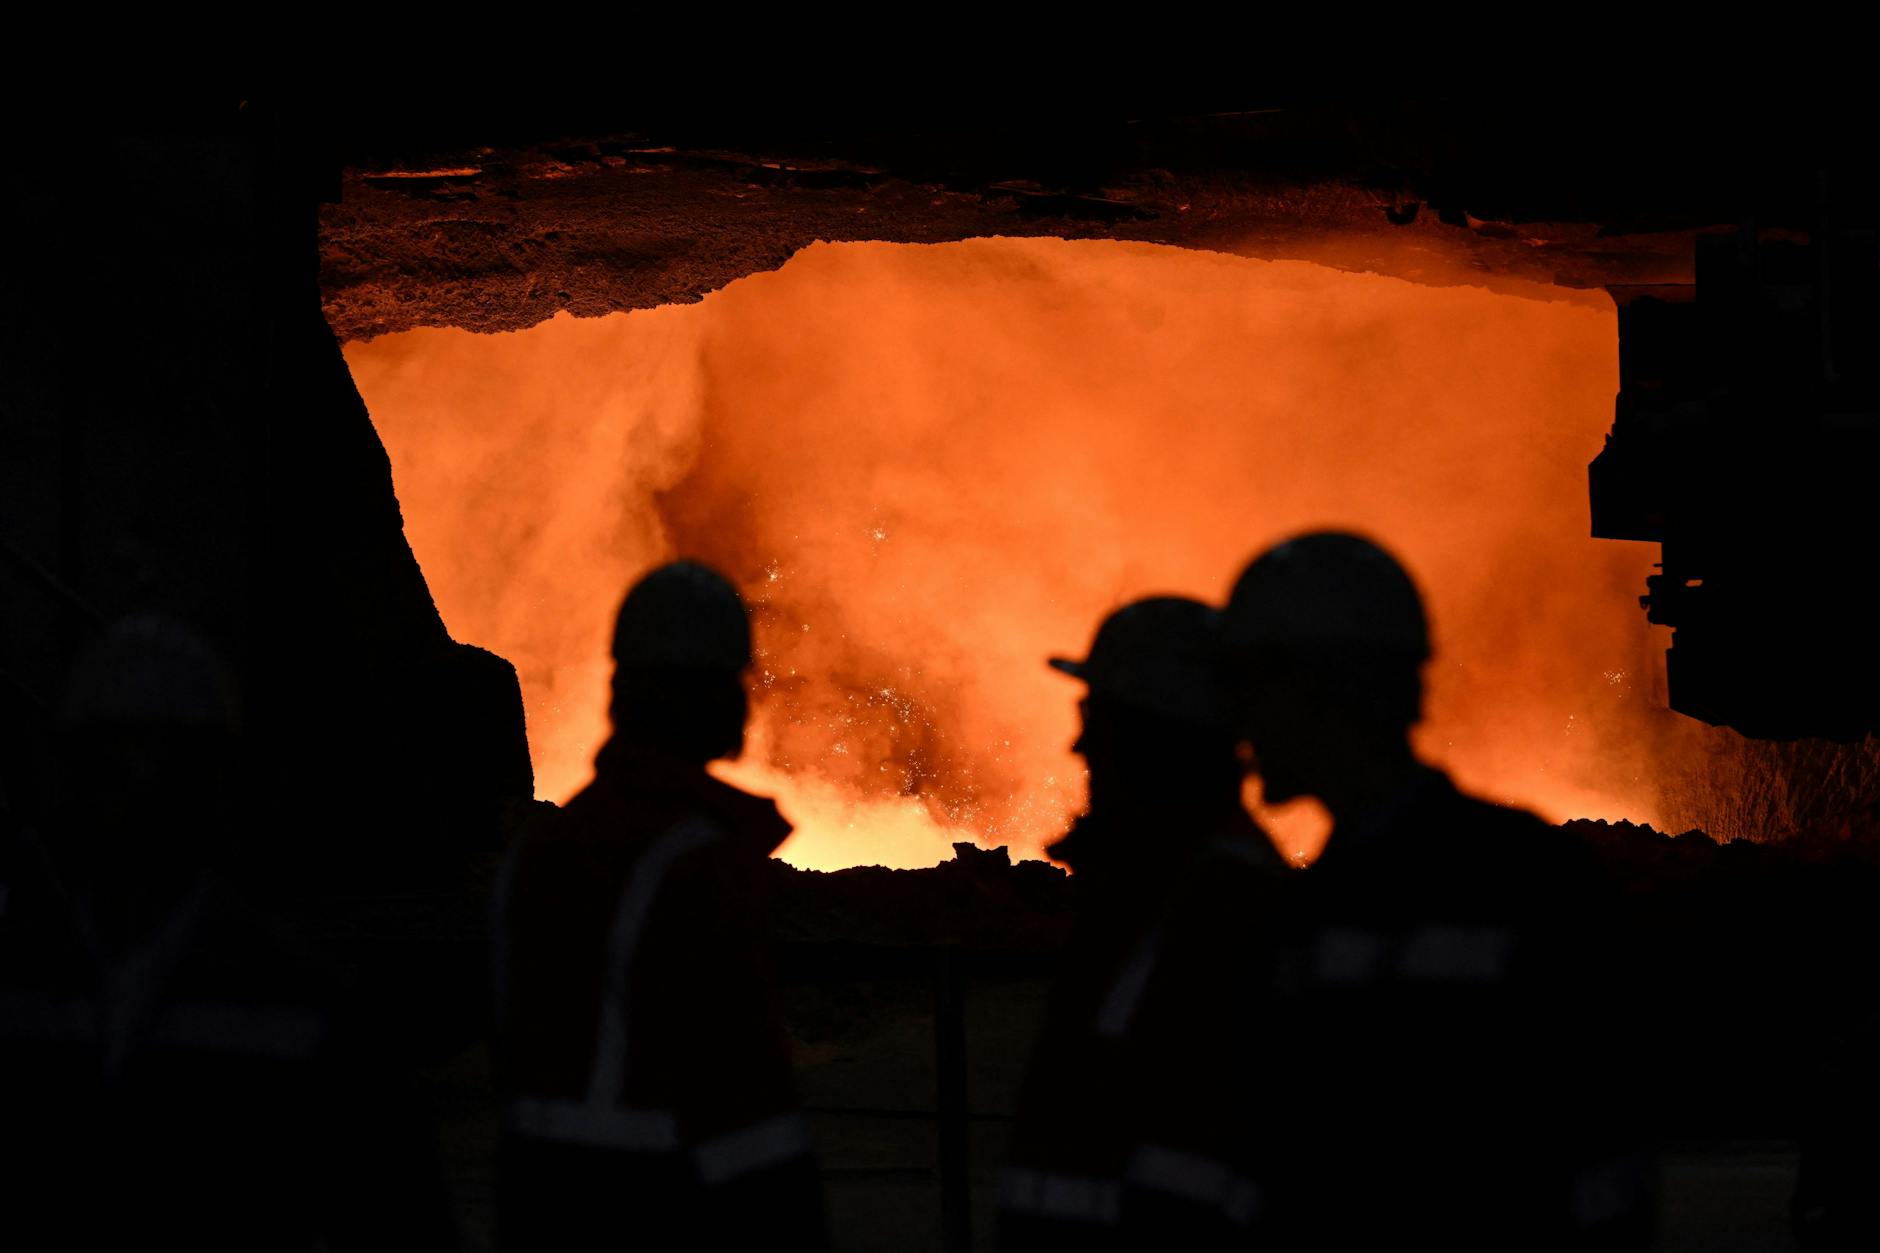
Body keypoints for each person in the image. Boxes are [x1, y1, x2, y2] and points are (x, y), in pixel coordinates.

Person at [1221, 531, 1651, 1251]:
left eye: (1257, 682)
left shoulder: (1527, 885)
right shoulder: (1536, 873)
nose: (1242, 720)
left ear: (1330, 685)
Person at [0, 614, 455, 1251]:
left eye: (163, 769)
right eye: (117, 768)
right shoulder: (303, 1002)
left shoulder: (26, 984)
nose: (139, 795)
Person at [494, 561, 825, 1251]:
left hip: (541, 1208)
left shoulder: (535, 852)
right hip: (666, 1210)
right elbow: (747, 1103)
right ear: (719, 699)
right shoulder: (692, 867)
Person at [1000, 596, 1288, 1251]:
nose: (1079, 743)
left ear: (1154, 730)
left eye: (1095, 718)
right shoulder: (1141, 893)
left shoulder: (1224, 912)